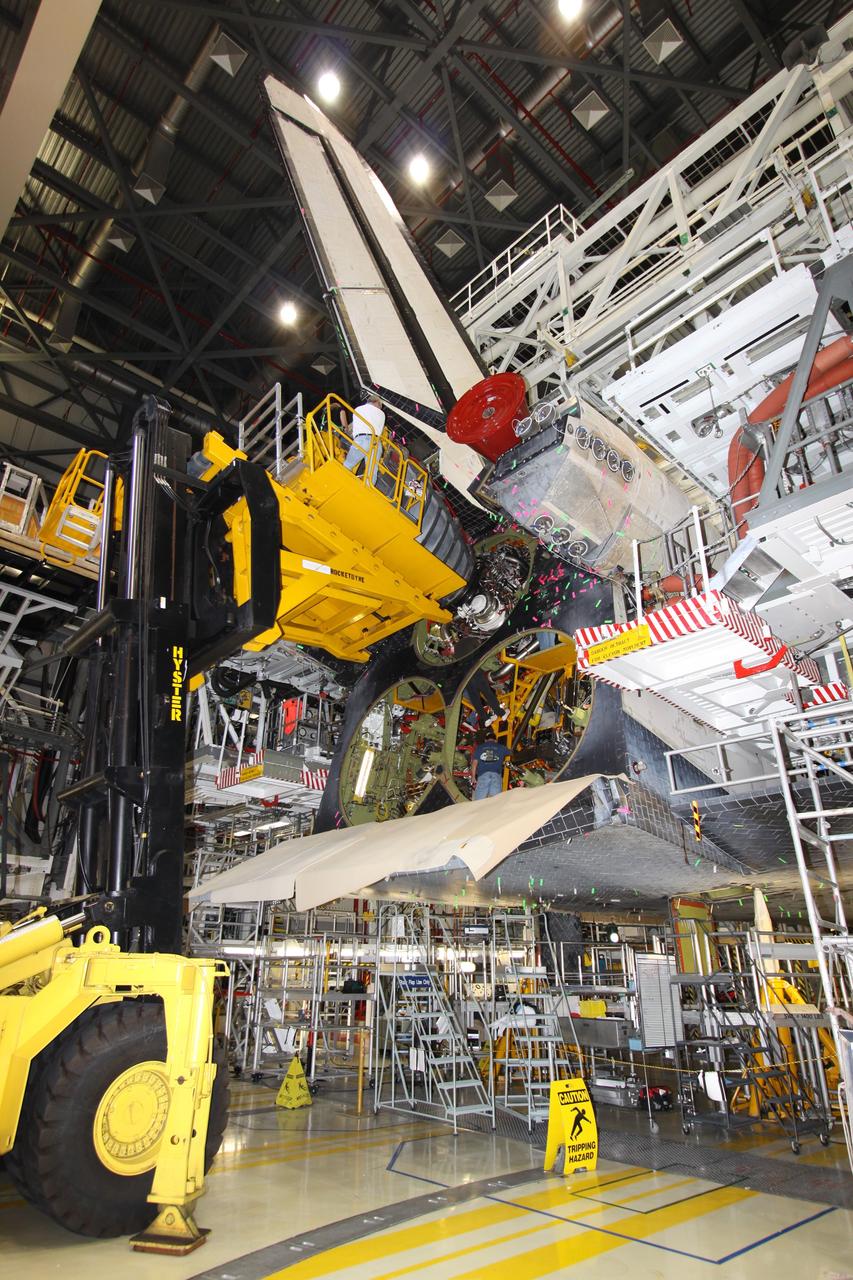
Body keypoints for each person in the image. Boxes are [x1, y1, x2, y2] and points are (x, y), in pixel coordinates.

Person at [341, 392, 385, 485]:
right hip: (376, 443)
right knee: (372, 473)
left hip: (361, 440)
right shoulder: (382, 414)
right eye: (380, 406)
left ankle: (339, 483)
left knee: (348, 465)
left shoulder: (358, 409)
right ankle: (368, 489)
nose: (380, 408)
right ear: (377, 402)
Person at [470, 729, 511, 800]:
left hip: (483, 776)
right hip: (496, 776)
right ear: (495, 740)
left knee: (479, 802)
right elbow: (511, 752)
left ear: (485, 740)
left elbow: (474, 763)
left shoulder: (479, 748)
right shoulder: (501, 747)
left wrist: (473, 777)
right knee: (495, 801)